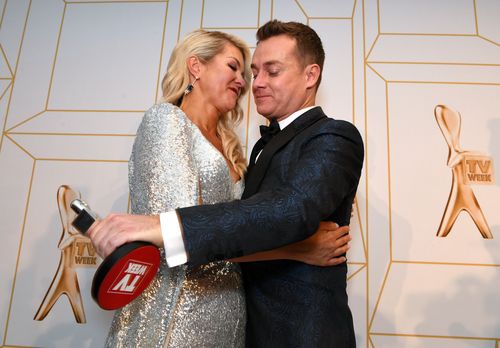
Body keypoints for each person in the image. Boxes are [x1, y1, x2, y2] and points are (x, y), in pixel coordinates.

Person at [95, 28, 352, 347]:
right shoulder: (167, 120)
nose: (250, 82)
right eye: (241, 69)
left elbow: (278, 213)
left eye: (269, 71)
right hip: (179, 311)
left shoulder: (322, 138)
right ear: (195, 66)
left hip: (235, 318)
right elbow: (178, 244)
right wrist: (297, 248)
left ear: (311, 75)